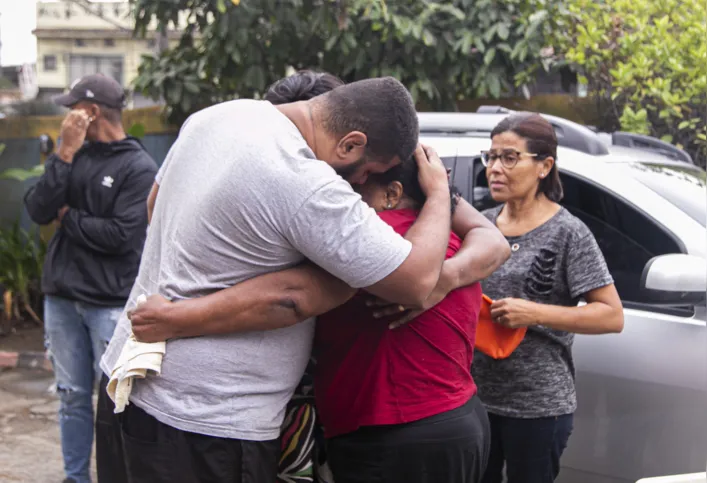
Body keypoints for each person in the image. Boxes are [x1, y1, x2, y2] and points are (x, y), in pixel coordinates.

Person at [96, 76, 462, 483]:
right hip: (209, 421)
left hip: (128, 380)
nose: (359, 184)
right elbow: (415, 281)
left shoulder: (218, 115)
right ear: (351, 144)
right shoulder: (305, 182)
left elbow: (154, 204)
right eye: (368, 171)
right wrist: (439, 193)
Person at [471, 113, 624, 483]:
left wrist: (534, 312)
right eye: (490, 157)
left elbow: (611, 316)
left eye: (509, 157)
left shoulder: (568, 232)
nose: (495, 168)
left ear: (544, 166)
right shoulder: (479, 224)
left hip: (538, 407)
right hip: (472, 398)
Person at [23, 73, 157, 483]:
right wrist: (63, 154)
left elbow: (120, 236)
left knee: (118, 403)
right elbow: (39, 209)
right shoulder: (72, 155)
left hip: (110, 303)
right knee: (72, 398)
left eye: (71, 108)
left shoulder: (138, 166)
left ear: (91, 111)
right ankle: (75, 478)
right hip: (62, 299)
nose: (65, 115)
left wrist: (71, 217)